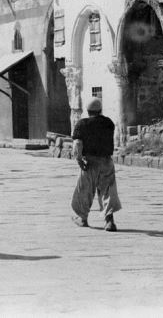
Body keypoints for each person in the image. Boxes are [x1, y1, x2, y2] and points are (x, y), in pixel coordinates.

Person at [71, 97, 121, 231]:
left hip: (90, 161)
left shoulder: (82, 124)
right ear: (100, 110)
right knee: (108, 191)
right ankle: (109, 221)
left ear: (87, 111)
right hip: (106, 161)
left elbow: (77, 144)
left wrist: (79, 159)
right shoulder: (108, 123)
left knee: (85, 190)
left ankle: (82, 218)